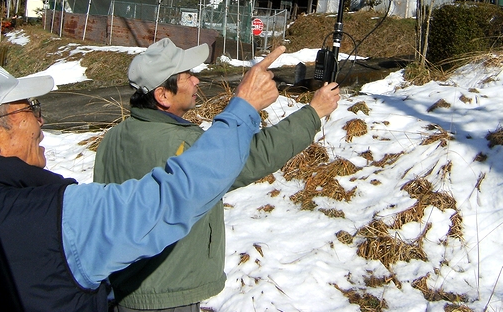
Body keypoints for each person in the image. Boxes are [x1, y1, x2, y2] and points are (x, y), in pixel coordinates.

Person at [0, 53, 283, 312]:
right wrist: (243, 107)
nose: (40, 119)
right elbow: (176, 195)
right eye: (27, 109)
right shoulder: (52, 218)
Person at [93, 38, 340, 312]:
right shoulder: (183, 144)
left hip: (122, 288)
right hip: (168, 296)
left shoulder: (112, 138)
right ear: (163, 96)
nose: (197, 81)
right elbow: (253, 156)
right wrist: (314, 112)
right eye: (188, 76)